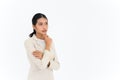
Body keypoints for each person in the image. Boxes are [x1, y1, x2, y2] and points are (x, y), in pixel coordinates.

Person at [24, 13, 60, 80]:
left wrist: (43, 56)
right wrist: (47, 46)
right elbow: (41, 66)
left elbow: (57, 66)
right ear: (34, 26)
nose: (44, 27)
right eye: (40, 24)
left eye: (46, 23)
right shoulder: (29, 42)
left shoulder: (49, 41)